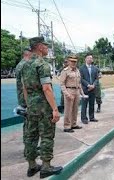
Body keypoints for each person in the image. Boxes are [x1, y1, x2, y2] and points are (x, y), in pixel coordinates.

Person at [20, 36, 62, 178]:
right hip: (44, 107)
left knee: (31, 136)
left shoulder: (25, 65)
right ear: (39, 47)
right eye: (45, 45)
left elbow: (25, 88)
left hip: (31, 106)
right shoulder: (42, 64)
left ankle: (32, 166)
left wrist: (28, 104)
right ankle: (46, 167)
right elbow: (46, 89)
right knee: (47, 136)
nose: (47, 47)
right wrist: (55, 109)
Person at [60, 55, 86, 133]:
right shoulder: (65, 71)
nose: (73, 63)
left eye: (75, 61)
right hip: (69, 90)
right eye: (72, 61)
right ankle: (67, 126)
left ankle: (73, 124)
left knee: (75, 109)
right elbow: (62, 84)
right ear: (68, 62)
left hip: (77, 91)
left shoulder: (77, 71)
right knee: (68, 110)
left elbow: (79, 83)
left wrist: (82, 93)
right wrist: (67, 94)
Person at [15, 47, 32, 157]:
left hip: (24, 98)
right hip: (26, 99)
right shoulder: (24, 66)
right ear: (28, 54)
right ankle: (29, 149)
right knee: (28, 124)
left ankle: (29, 147)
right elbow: (25, 85)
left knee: (28, 124)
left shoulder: (20, 65)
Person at [79, 53, 99, 124]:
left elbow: (97, 78)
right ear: (85, 59)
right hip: (85, 89)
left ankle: (92, 117)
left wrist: (93, 85)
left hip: (93, 89)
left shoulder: (95, 68)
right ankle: (84, 118)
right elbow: (81, 79)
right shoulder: (81, 68)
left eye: (91, 58)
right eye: (88, 58)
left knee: (92, 104)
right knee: (84, 104)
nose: (90, 59)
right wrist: (88, 85)